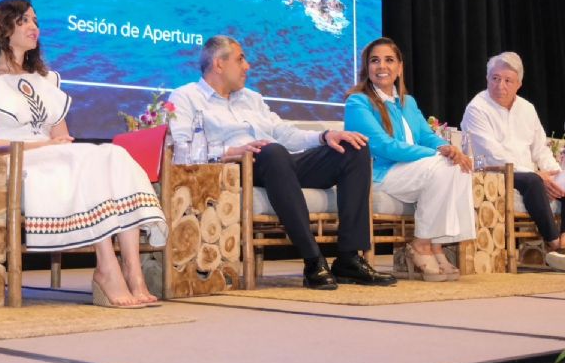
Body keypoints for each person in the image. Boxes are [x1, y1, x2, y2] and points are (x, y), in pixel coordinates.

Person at [0, 0, 167, 308]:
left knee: (113, 155)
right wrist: (43, 146)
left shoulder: (46, 80)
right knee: (82, 162)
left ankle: (133, 272)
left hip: (54, 155)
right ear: (1, 27)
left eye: (35, 21)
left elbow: (61, 137)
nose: (34, 27)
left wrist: (55, 145)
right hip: (15, 161)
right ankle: (107, 268)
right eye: (25, 20)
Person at [168, 35, 395, 289]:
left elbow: (284, 132)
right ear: (218, 64)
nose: (247, 66)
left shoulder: (251, 98)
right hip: (236, 166)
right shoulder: (186, 97)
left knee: (353, 149)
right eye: (240, 59)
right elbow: (181, 150)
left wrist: (325, 136)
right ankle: (313, 260)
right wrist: (232, 150)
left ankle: (348, 259)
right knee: (273, 151)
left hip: (278, 161)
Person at [344, 38, 474, 281]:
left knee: (457, 165)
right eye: (375, 60)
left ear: (400, 67)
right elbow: (383, 146)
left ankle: (435, 244)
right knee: (442, 163)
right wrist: (438, 153)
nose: (381, 66)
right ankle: (422, 244)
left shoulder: (407, 101)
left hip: (410, 172)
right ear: (366, 67)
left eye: (389, 60)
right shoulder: (357, 102)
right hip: (379, 173)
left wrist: (449, 148)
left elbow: (426, 135)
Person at [461, 52, 565, 274]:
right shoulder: (477, 108)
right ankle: (555, 244)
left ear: (519, 84)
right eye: (495, 78)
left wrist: (554, 174)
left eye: (507, 80)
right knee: (532, 179)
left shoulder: (527, 108)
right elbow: (493, 154)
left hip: (530, 175)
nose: (500, 85)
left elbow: (540, 149)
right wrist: (540, 177)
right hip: (495, 173)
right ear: (487, 79)